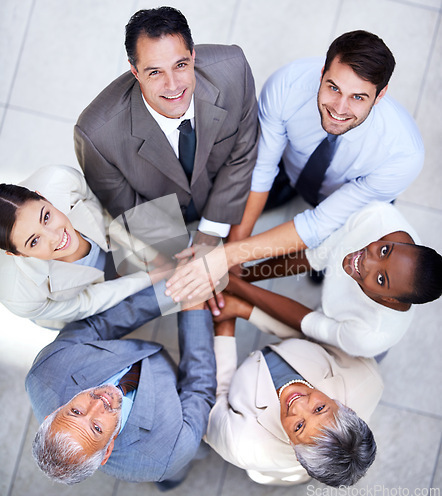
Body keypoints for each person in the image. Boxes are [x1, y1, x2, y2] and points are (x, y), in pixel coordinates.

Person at [74, 7, 259, 244]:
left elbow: (242, 153)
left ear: (193, 56)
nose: (172, 85)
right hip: (161, 230)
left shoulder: (234, 70)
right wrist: (186, 251)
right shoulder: (95, 135)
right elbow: (130, 210)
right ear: (135, 71)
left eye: (180, 65)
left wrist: (211, 233)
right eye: (155, 72)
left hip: (229, 199)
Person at [229, 29, 424, 248]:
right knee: (230, 215)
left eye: (358, 97)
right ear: (322, 73)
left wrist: (231, 255)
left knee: (332, 260)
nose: (339, 109)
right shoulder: (287, 86)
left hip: (355, 201)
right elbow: (262, 170)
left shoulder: (402, 155)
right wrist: (235, 244)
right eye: (334, 88)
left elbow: (319, 223)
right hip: (289, 168)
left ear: (380, 95)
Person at [27, 285, 216, 487]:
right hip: (165, 453)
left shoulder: (46, 371)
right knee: (189, 452)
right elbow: (199, 391)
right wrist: (195, 313)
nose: (99, 403)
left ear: (53, 414)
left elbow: (98, 326)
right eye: (97, 428)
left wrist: (179, 287)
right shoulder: (167, 452)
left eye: (75, 411)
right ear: (107, 451)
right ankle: (171, 479)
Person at [212, 202, 442, 358]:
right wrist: (245, 275)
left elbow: (309, 322)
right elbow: (315, 258)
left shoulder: (370, 334)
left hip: (346, 342)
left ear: (390, 299)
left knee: (311, 345)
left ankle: (238, 306)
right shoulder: (379, 217)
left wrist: (234, 286)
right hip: (338, 308)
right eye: (384, 251)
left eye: (381, 279)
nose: (366, 262)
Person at [204, 319, 381, 487]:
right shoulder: (366, 376)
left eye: (299, 427)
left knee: (267, 475)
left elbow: (213, 398)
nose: (297, 405)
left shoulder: (242, 445)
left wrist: (223, 330)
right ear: (345, 407)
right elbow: (318, 330)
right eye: (320, 408)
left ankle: (297, 476)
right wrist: (247, 310)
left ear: (295, 451)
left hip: (275, 463)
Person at [0, 165, 153, 329]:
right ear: (18, 254)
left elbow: (106, 215)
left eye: (46, 217)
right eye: (34, 241)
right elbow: (87, 303)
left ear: (42, 197)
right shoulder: (19, 295)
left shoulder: (62, 179)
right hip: (75, 305)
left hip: (105, 248)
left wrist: (149, 253)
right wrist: (149, 278)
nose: (55, 237)